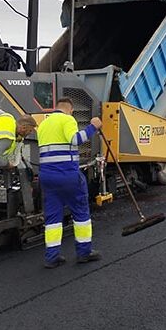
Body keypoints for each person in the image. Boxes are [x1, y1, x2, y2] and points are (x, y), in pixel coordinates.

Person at [37, 97, 103, 269]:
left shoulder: (44, 124)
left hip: (47, 176)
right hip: (67, 174)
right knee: (80, 213)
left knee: (52, 218)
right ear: (71, 110)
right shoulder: (67, 119)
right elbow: (75, 139)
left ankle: (52, 257)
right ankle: (84, 253)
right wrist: (93, 126)